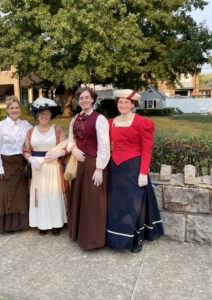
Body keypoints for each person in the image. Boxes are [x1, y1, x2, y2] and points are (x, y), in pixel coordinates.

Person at [106, 89, 164, 253]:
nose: (122, 105)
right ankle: (115, 238)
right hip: (116, 168)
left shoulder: (142, 123)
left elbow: (147, 149)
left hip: (133, 168)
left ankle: (136, 239)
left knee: (133, 206)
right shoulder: (111, 122)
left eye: (126, 102)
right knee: (116, 204)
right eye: (120, 102)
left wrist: (143, 172)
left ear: (133, 104)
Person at [67, 87, 110, 250]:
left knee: (93, 201)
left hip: (94, 163)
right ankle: (79, 234)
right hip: (79, 164)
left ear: (93, 99)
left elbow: (104, 145)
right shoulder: (75, 119)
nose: (84, 100)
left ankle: (94, 239)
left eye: (87, 97)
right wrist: (74, 149)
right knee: (80, 198)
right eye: (81, 98)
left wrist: (99, 168)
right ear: (78, 101)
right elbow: (70, 139)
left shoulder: (100, 119)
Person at [23, 97, 67, 236]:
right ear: (36, 115)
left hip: (53, 167)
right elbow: (25, 150)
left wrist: (59, 153)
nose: (44, 116)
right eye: (41, 113)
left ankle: (56, 224)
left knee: (53, 193)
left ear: (50, 115)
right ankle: (42, 224)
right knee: (39, 195)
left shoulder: (57, 130)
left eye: (47, 113)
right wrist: (30, 159)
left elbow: (66, 147)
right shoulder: (31, 132)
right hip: (38, 169)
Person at [0, 96, 32, 232]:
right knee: (3, 194)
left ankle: (19, 224)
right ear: (7, 110)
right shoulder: (0, 126)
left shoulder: (26, 125)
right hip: (5, 164)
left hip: (20, 164)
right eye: (11, 108)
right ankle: (5, 225)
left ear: (20, 109)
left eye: (17, 107)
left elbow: (36, 136)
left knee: (20, 195)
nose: (15, 110)